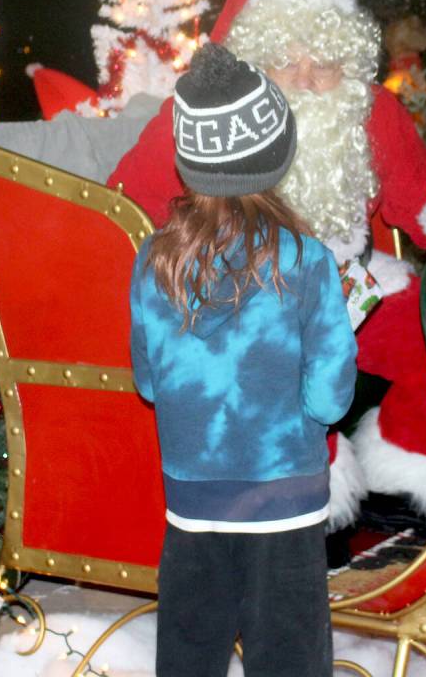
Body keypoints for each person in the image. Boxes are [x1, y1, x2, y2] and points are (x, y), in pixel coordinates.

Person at [113, 0, 426, 531]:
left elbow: (421, 190)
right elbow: (124, 206)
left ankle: (403, 478)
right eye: (286, 62)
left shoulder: (370, 111)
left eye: (324, 64)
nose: (306, 80)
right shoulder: (202, 118)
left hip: (353, 281)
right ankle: (303, 510)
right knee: (287, 366)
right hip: (248, 291)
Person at [129, 43, 357, 677]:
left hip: (194, 495)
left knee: (189, 644)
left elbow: (149, 381)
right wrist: (302, 420)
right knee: (288, 650)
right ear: (275, 155)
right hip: (284, 493)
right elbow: (332, 394)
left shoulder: (154, 261)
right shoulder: (306, 260)